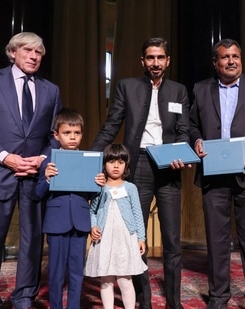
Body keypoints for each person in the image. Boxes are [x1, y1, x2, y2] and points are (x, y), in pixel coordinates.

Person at [0, 32, 62, 309]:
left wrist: (42, 159)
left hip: (34, 176)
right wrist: (6, 157)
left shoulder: (51, 89)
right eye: (28, 50)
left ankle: (23, 298)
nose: (34, 56)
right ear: (12, 52)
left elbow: (55, 135)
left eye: (39, 53)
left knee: (32, 244)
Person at [90, 37, 189, 309]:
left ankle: (174, 302)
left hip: (169, 167)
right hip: (139, 165)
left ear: (167, 61)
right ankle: (143, 301)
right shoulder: (127, 86)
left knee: (171, 240)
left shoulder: (179, 91)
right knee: (136, 236)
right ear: (142, 61)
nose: (155, 63)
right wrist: (89, 157)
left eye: (160, 58)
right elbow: (111, 126)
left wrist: (183, 153)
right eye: (150, 58)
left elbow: (183, 130)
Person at [189, 38, 245, 309]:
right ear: (215, 63)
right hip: (214, 174)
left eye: (235, 56)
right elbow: (192, 125)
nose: (231, 61)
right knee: (216, 239)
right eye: (225, 57)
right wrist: (196, 140)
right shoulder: (201, 89)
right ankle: (218, 296)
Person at [35, 108, 106, 309]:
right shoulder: (49, 161)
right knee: (56, 272)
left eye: (77, 133)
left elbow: (93, 196)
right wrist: (47, 178)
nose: (72, 137)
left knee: (76, 271)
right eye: (67, 133)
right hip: (57, 223)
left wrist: (98, 185)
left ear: (82, 134)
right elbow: (37, 193)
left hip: (80, 223)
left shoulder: (90, 160)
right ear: (57, 135)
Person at [85, 144, 148, 309]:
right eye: (111, 162)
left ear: (126, 165)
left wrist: (141, 238)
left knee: (125, 279)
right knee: (106, 279)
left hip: (125, 238)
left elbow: (137, 214)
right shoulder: (100, 187)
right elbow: (93, 211)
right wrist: (93, 227)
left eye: (120, 162)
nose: (115, 166)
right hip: (105, 239)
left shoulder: (130, 188)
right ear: (104, 164)